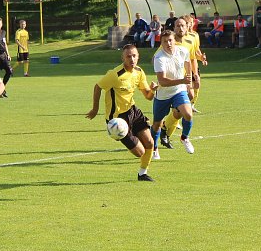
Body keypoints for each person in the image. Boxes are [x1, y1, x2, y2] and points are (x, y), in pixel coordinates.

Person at [86, 44, 158, 182]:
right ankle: (140, 166)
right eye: (128, 56)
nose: (132, 59)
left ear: (138, 56)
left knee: (150, 142)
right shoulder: (115, 74)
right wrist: (95, 109)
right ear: (123, 58)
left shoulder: (139, 72)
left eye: (134, 55)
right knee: (140, 152)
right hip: (117, 119)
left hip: (133, 111)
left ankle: (142, 174)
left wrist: (153, 90)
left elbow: (148, 96)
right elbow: (98, 87)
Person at [159, 16, 202, 148]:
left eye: (183, 25)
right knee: (179, 111)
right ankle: (163, 131)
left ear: (188, 26)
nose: (181, 28)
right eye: (178, 26)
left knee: (180, 111)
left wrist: (195, 75)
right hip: (171, 82)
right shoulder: (169, 41)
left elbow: (192, 58)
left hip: (185, 81)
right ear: (174, 27)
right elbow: (158, 58)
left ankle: (166, 132)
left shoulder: (191, 39)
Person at [151, 30, 194, 160]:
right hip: (163, 94)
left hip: (178, 91)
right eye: (165, 41)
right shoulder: (159, 58)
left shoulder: (183, 51)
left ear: (174, 39)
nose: (168, 43)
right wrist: (183, 80)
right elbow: (162, 81)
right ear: (161, 43)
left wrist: (189, 84)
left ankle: (184, 138)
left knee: (188, 114)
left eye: (170, 40)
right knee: (157, 124)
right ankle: (154, 148)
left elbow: (188, 65)